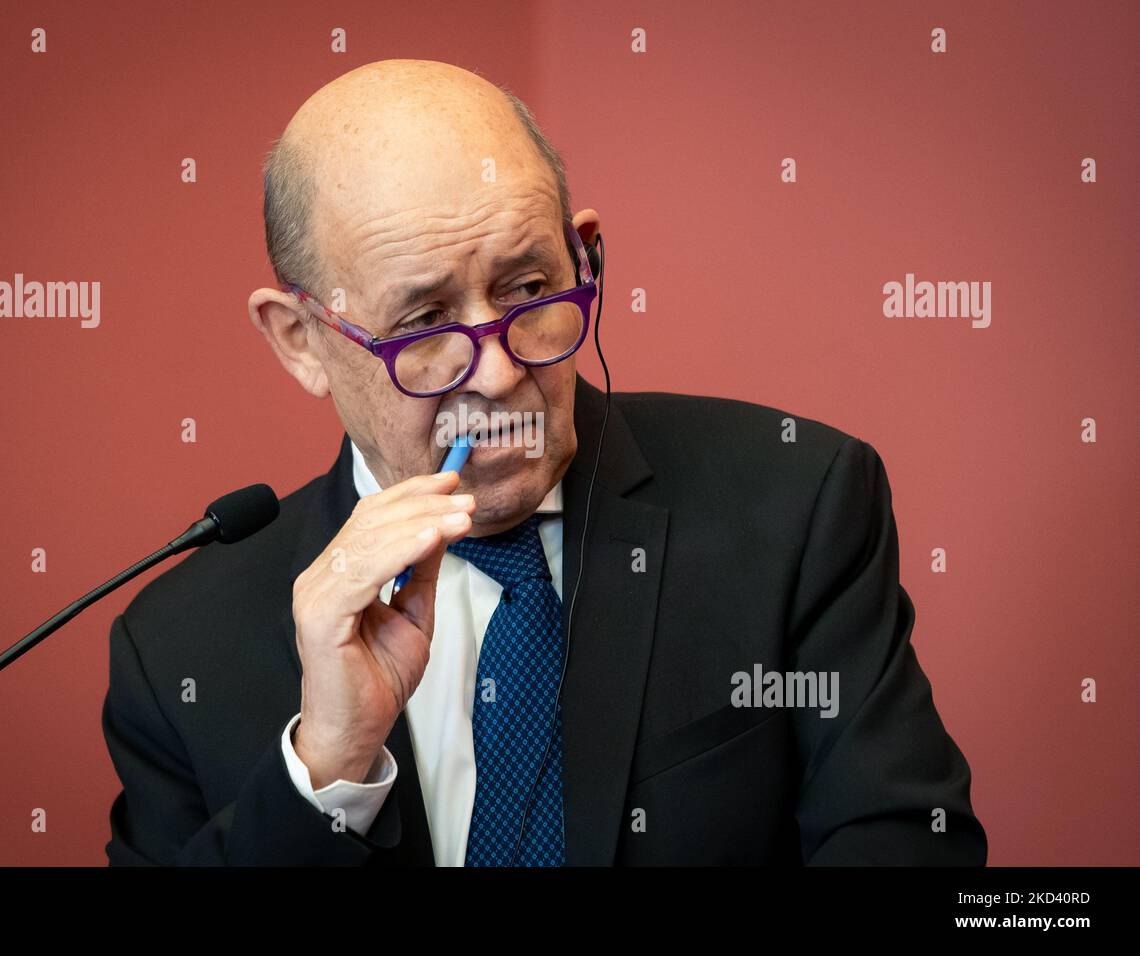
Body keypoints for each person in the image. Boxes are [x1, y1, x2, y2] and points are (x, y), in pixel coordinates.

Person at [102, 58, 986, 866]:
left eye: (530, 290)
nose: (497, 372)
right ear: (300, 340)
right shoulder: (179, 648)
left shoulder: (795, 507)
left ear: (584, 252)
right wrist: (326, 770)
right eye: (423, 325)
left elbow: (909, 847)